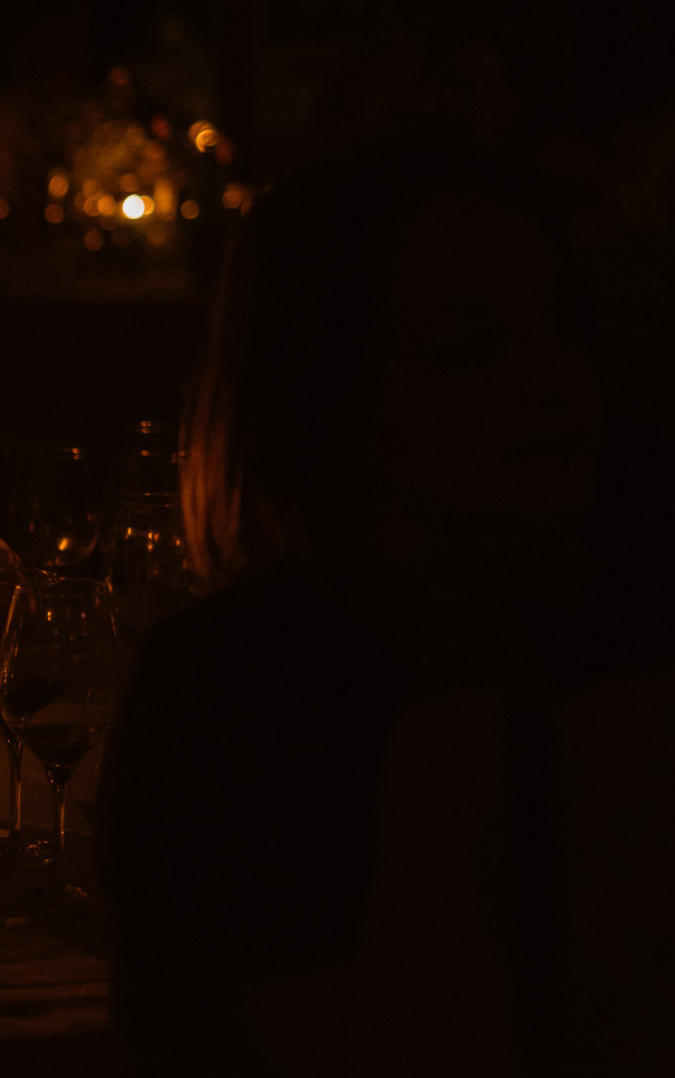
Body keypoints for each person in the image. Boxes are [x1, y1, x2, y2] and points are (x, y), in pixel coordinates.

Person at [95, 142, 606, 1073]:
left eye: (566, 324)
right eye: (466, 349)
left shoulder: (600, 636)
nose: (550, 381)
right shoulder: (240, 700)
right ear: (327, 389)